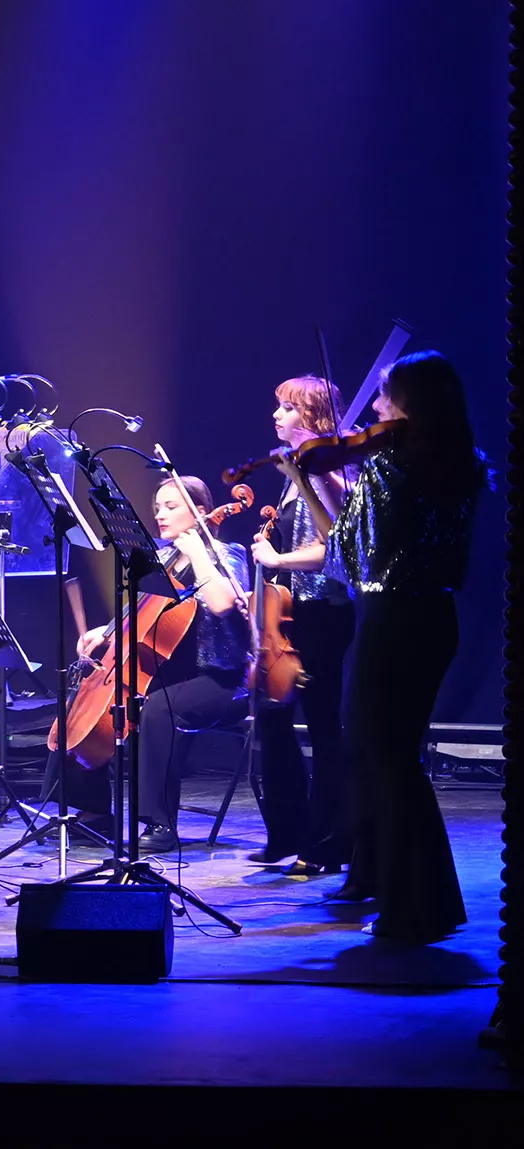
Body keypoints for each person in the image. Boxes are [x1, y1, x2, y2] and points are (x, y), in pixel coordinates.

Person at [281, 352, 485, 943]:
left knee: (383, 760)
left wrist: (306, 482)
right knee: (393, 760)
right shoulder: (461, 462)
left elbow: (346, 556)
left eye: (384, 396)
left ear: (411, 403)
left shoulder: (389, 464)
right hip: (433, 618)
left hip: (392, 618)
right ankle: (408, 895)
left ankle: (413, 908)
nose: (373, 408)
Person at [71, 475, 251, 854]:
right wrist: (103, 632)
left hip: (221, 679)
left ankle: (160, 824)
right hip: (173, 673)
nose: (160, 515)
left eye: (171, 507)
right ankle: (94, 811)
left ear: (201, 513)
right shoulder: (163, 558)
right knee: (93, 699)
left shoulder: (226, 552)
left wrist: (199, 553)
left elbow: (222, 603)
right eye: (157, 508)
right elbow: (143, 612)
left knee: (157, 710)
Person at [246, 376, 354, 874]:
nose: (276, 415)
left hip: (324, 613)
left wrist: (276, 556)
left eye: (286, 408)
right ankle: (288, 831)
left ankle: (327, 843)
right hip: (297, 615)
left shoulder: (335, 470)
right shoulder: (295, 472)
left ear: (311, 416)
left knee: (324, 727)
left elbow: (334, 553)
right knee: (274, 717)